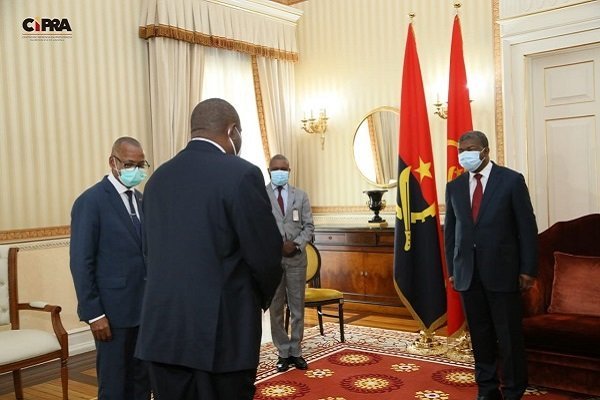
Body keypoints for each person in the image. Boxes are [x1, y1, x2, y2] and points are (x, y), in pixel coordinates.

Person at [135, 98, 283, 400]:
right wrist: (255, 298)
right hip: (222, 334)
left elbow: (149, 252)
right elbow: (266, 255)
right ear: (232, 131)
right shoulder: (242, 174)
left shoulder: (157, 179)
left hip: (163, 331)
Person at [444, 130, 538, 400]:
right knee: (480, 337)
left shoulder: (511, 181)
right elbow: (451, 233)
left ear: (485, 150)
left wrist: (528, 269)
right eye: (461, 150)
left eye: (470, 149)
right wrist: (453, 270)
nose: (465, 154)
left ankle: (513, 390)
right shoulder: (455, 186)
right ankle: (486, 389)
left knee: (508, 337)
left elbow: (527, 228)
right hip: (467, 274)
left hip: (504, 273)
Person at [70, 137, 151, 400]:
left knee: (141, 380)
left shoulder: (141, 200)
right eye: (129, 164)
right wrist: (94, 315)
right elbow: (81, 262)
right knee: (114, 384)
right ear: (113, 162)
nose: (135, 170)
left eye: (141, 164)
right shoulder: (91, 201)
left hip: (143, 310)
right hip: (112, 314)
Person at [266, 154, 315, 372]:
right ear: (269, 170)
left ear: (289, 171)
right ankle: (282, 352)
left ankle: (296, 351)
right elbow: (258, 226)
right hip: (273, 262)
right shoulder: (261, 195)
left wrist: (295, 244)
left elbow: (309, 227)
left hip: (296, 259)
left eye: (283, 169)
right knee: (276, 308)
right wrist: (277, 245)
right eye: (275, 169)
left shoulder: (300, 195)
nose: (279, 172)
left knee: (297, 309)